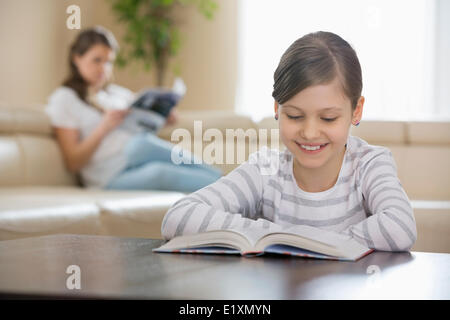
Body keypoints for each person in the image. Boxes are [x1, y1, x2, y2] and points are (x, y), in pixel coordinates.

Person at [161, 31, 417, 252]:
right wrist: (268, 235)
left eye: (328, 118)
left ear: (356, 110)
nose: (309, 132)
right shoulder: (264, 171)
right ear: (277, 109)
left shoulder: (369, 163)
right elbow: (178, 217)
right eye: (295, 116)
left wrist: (299, 240)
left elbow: (401, 226)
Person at [45, 26, 222, 192]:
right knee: (156, 169)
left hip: (136, 157)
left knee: (143, 146)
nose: (103, 69)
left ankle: (225, 183)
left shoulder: (115, 93)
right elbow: (72, 162)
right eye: (97, 60)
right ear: (77, 58)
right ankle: (226, 185)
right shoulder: (64, 99)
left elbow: (141, 121)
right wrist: (104, 127)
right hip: (107, 176)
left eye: (108, 62)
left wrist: (161, 116)